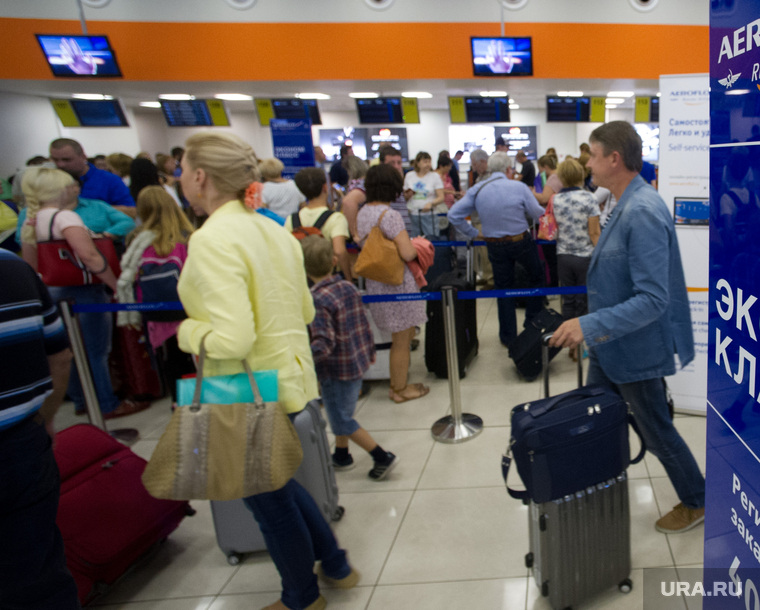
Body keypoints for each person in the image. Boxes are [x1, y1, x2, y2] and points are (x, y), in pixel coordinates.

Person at [176, 132, 357, 610]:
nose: (179, 178)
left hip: (240, 386)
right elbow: (304, 311)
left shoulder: (212, 239)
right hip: (290, 379)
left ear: (200, 176)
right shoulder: (274, 230)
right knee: (281, 485)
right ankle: (335, 565)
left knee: (267, 501)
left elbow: (232, 339)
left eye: (182, 170)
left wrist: (189, 334)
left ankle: (301, 595)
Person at [549, 121, 705, 534]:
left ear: (614, 158)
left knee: (657, 432)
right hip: (611, 346)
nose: (587, 163)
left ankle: (697, 499)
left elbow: (653, 299)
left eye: (593, 155)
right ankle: (594, 489)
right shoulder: (618, 201)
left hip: (635, 351)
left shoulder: (643, 211)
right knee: (595, 416)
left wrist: (588, 323)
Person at [19, 167, 144, 420]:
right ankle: (107, 403)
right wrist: (114, 284)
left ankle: (80, 400)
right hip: (84, 292)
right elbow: (89, 256)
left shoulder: (31, 219)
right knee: (96, 351)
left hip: (53, 292)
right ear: (60, 189)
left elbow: (32, 266)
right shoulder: (65, 218)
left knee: (70, 351)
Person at [0, 249, 81, 610]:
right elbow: (60, 355)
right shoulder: (13, 265)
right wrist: (46, 417)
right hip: (21, 444)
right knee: (39, 580)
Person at [301, 235, 398, 480]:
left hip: (335, 370)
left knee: (341, 420)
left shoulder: (316, 299)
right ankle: (342, 454)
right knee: (339, 410)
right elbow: (362, 324)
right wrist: (369, 352)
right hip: (356, 362)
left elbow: (324, 342)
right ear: (334, 260)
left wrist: (304, 359)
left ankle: (381, 456)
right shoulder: (348, 287)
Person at [448, 152, 546, 348]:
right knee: (537, 277)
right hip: (520, 241)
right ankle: (532, 321)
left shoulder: (477, 189)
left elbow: (453, 215)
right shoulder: (518, 187)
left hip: (493, 243)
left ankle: (508, 336)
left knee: (503, 288)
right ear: (509, 169)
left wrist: (474, 233)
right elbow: (537, 213)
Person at [116, 186, 195, 408]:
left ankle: (178, 404)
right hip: (188, 308)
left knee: (169, 360)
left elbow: (130, 276)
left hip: (154, 311)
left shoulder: (136, 239)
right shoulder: (187, 236)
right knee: (193, 359)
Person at [356, 164, 429, 403]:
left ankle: (398, 384)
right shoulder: (390, 215)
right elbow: (407, 253)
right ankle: (399, 389)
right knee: (402, 339)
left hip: (376, 281)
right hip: (397, 283)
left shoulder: (364, 212)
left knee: (398, 336)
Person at [552, 158, 601, 360]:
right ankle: (580, 346)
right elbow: (594, 232)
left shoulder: (555, 199)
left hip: (563, 255)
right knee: (584, 300)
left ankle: (568, 341)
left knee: (568, 300)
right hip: (585, 257)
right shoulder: (589, 198)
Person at [15, 178, 136, 246]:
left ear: (78, 188)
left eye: (72, 185)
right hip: (53, 263)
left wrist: (105, 235)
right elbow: (21, 239)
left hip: (101, 252)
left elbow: (127, 222)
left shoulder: (97, 205)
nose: (65, 190)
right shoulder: (30, 212)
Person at [287, 167, 352, 280]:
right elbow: (339, 251)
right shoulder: (335, 218)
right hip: (327, 277)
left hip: (302, 278)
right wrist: (348, 278)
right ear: (325, 187)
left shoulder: (291, 219)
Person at [49, 138, 135, 216]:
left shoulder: (110, 180)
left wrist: (93, 208)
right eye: (55, 160)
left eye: (67, 160)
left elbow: (131, 211)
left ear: (83, 157)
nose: (60, 165)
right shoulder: (48, 182)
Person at [403, 151, 445, 237]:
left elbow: (441, 197)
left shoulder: (434, 176)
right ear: (418, 163)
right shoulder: (409, 175)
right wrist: (407, 195)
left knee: (431, 239)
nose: (428, 164)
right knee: (414, 240)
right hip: (413, 213)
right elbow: (404, 195)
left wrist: (431, 203)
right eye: (425, 162)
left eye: (429, 161)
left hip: (429, 214)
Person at [378, 145, 412, 234]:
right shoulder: (377, 185)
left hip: (404, 234)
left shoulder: (399, 183)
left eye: (399, 163)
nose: (396, 167)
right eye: (392, 163)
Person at [339, 156, 369, 240]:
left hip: (360, 228)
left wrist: (353, 233)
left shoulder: (359, 184)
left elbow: (348, 202)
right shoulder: (365, 182)